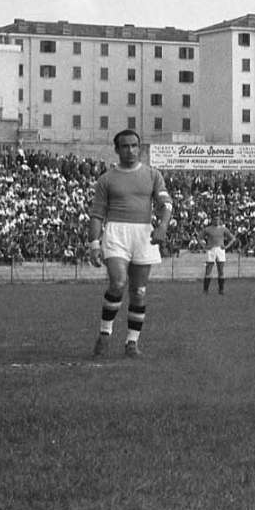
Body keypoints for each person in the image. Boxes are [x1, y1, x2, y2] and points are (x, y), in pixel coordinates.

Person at [87, 129, 173, 359]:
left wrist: (163, 226)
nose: (130, 150)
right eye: (125, 146)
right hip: (116, 232)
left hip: (143, 233)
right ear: (117, 149)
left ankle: (132, 342)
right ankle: (105, 333)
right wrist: (94, 244)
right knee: (118, 282)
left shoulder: (153, 175)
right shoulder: (106, 179)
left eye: (134, 145)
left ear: (140, 148)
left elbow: (166, 204)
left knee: (139, 291)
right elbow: (97, 214)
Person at [202, 218, 232, 294]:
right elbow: (199, 237)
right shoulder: (208, 229)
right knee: (208, 270)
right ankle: (205, 290)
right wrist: (204, 246)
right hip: (211, 249)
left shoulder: (223, 229)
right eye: (215, 219)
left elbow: (232, 238)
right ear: (212, 220)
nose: (217, 221)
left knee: (221, 270)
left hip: (220, 249)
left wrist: (226, 246)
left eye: (218, 219)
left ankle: (221, 290)